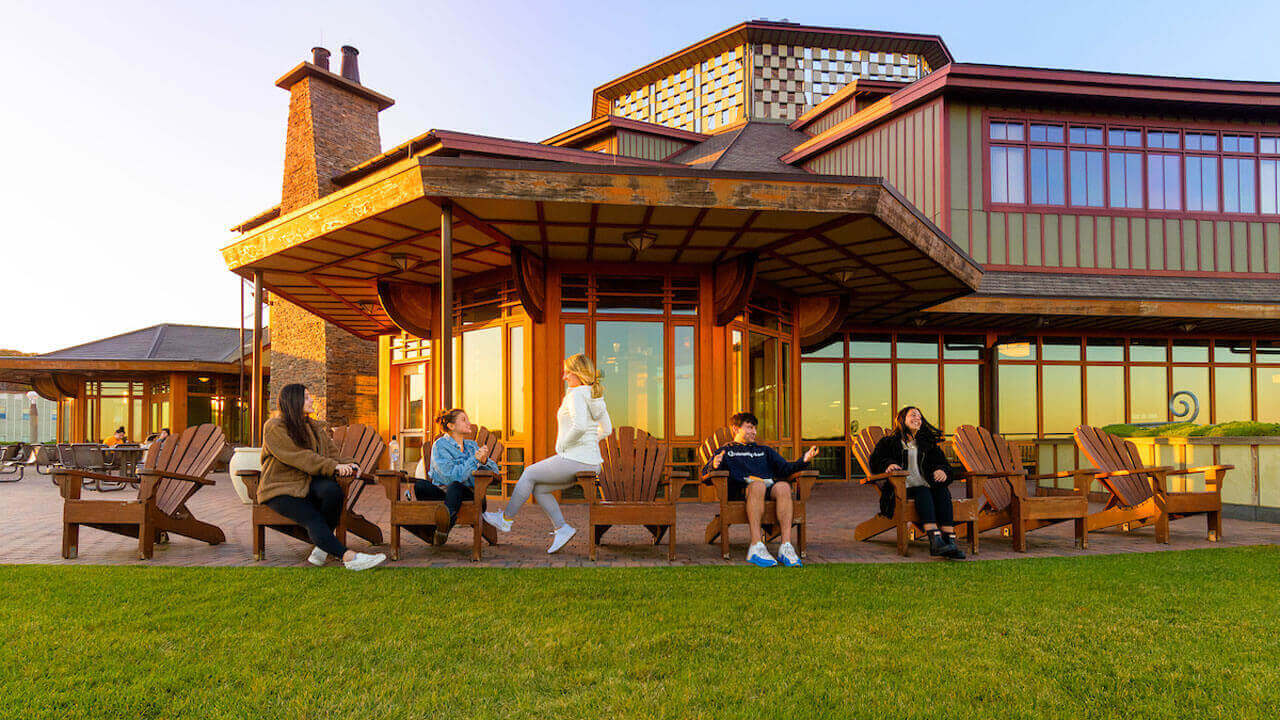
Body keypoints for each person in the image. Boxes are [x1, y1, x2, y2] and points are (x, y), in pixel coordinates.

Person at [484, 353, 612, 554]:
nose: (564, 377)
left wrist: (564, 446)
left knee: (529, 473)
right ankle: (562, 528)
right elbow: (607, 429)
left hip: (575, 458)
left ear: (578, 373)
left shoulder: (577, 394)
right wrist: (589, 442)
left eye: (567, 372)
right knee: (540, 489)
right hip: (591, 462)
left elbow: (579, 427)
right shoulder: (594, 396)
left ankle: (505, 519)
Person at [257, 383, 386, 571]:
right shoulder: (274, 427)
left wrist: (351, 464)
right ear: (295, 401)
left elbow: (333, 455)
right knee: (313, 518)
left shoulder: (314, 427)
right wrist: (334, 467)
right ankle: (349, 557)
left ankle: (320, 549)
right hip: (280, 489)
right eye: (307, 397)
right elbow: (299, 457)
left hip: (307, 485)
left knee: (333, 491)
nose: (311, 400)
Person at [703, 412, 819, 567]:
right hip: (742, 492)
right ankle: (756, 546)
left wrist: (805, 459)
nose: (754, 432)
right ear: (736, 429)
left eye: (755, 428)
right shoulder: (727, 451)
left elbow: (786, 469)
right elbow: (705, 475)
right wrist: (714, 465)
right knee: (757, 486)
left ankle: (786, 546)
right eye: (749, 427)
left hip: (768, 489)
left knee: (783, 487)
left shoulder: (764, 451)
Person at [868, 406, 965, 560]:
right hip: (901, 489)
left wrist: (942, 471)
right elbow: (874, 462)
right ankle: (935, 542)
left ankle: (949, 541)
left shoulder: (928, 444)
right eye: (913, 415)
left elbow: (945, 465)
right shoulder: (889, 442)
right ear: (902, 420)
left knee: (942, 491)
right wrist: (888, 464)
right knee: (922, 491)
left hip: (926, 487)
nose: (917, 419)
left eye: (919, 417)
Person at [416, 409, 499, 545]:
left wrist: (484, 461)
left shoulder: (472, 446)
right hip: (443, 496)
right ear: (451, 426)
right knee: (420, 485)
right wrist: (474, 461)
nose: (469, 423)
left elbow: (495, 471)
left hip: (471, 496)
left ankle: (443, 528)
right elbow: (450, 476)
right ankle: (444, 520)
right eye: (464, 420)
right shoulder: (440, 446)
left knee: (456, 487)